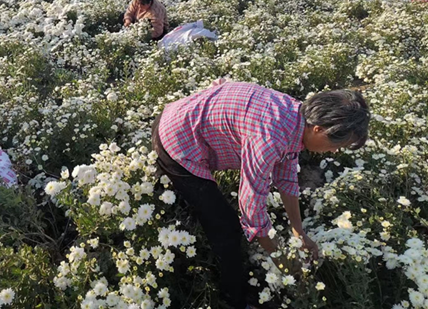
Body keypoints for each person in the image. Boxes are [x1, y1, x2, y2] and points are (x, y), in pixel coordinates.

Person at [151, 81, 370, 309]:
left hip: (181, 118)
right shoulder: (270, 137)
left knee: (215, 212)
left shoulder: (294, 116)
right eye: (337, 144)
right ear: (319, 129)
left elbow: (286, 177)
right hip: (177, 143)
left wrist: (299, 230)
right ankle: (233, 300)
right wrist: (280, 260)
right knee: (227, 228)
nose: (334, 151)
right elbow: (250, 207)